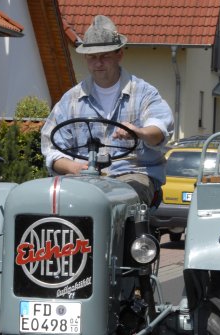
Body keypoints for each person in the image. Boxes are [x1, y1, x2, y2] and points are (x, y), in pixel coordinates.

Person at [40, 15, 174, 206]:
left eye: (105, 56)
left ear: (119, 54)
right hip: (82, 178)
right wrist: (74, 167)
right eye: (92, 57)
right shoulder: (70, 100)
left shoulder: (144, 93)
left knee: (119, 201)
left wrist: (139, 132)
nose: (98, 63)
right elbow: (52, 149)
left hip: (132, 174)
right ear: (85, 57)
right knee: (48, 201)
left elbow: (159, 128)